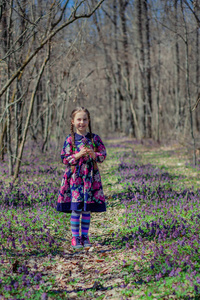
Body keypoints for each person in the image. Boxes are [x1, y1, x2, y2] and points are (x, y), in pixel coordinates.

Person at [57, 107, 107, 249]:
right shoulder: (70, 139)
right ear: (73, 122)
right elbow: (64, 159)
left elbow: (103, 155)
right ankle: (75, 237)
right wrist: (78, 155)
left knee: (86, 208)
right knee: (76, 208)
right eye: (79, 119)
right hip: (75, 178)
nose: (82, 122)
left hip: (90, 177)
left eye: (85, 119)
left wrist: (93, 155)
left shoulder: (94, 138)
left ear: (88, 120)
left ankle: (85, 236)